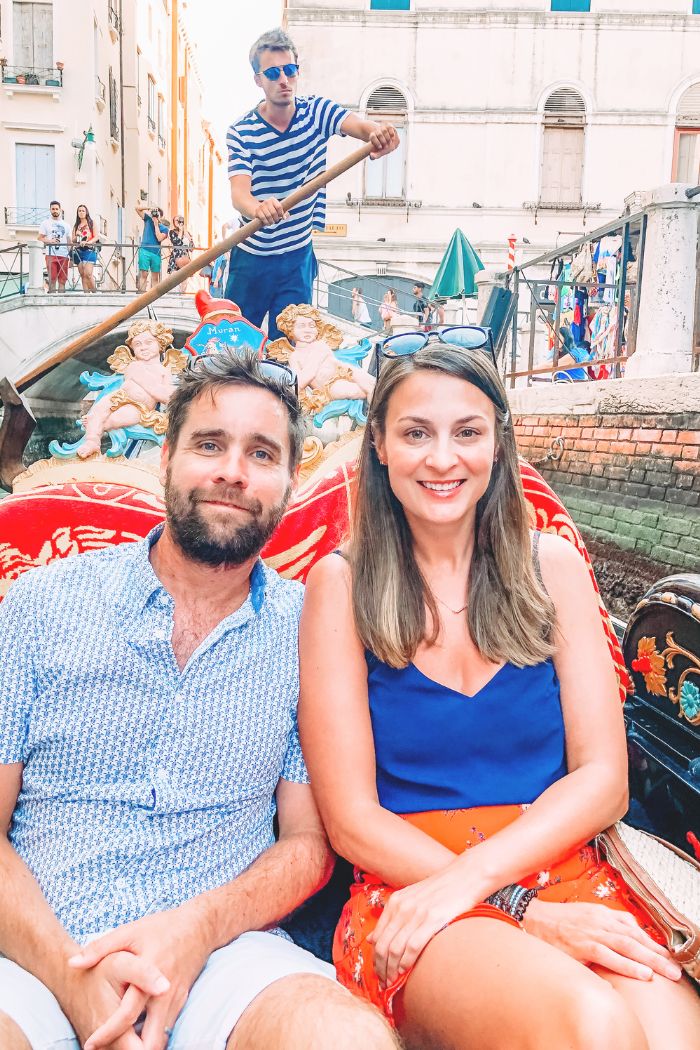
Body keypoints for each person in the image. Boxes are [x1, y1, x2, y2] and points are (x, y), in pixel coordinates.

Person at [298, 340, 700, 1050]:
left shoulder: (553, 567)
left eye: (467, 432)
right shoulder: (341, 585)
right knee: (595, 1028)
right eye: (416, 432)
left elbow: (605, 780)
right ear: (381, 447)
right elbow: (352, 820)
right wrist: (509, 904)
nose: (443, 458)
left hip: (569, 870)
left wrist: (500, 884)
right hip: (416, 893)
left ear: (498, 443)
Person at [0, 349, 398, 1050]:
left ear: (288, 483)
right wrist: (74, 981)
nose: (232, 472)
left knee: (347, 1039)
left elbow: (307, 844)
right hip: (35, 951)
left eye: (261, 453)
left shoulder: (310, 632)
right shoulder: (39, 605)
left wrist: (197, 930)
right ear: (166, 459)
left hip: (223, 956)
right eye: (209, 445)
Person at [224, 27, 398, 340]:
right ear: (258, 80)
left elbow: (360, 126)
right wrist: (258, 208)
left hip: (296, 256)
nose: (283, 80)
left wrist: (379, 133)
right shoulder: (241, 132)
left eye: (290, 70)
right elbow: (239, 195)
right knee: (235, 344)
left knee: (291, 348)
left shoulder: (317, 111)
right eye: (273, 72)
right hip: (250, 257)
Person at [38, 200, 71, 293]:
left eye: (57, 209)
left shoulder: (67, 225)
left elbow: (69, 241)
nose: (55, 211)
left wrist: (71, 257)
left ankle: (61, 302)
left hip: (64, 255)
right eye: (53, 209)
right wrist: (50, 241)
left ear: (60, 210)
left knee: (62, 280)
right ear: (50, 210)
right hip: (50, 254)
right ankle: (51, 299)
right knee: (52, 279)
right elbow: (39, 238)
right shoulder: (45, 223)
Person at [135, 204, 169, 291]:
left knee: (155, 277)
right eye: (155, 212)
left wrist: (156, 225)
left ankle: (154, 298)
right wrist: (149, 208)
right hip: (144, 250)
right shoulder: (148, 219)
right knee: (144, 274)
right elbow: (137, 209)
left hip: (155, 253)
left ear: (161, 216)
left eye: (158, 213)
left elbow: (159, 238)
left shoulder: (164, 228)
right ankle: (142, 296)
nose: (155, 215)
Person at [71, 204, 99, 292]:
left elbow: (96, 237)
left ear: (86, 212)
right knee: (82, 274)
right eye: (79, 211)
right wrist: (77, 235)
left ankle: (95, 293)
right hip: (79, 251)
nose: (81, 212)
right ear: (77, 213)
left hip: (89, 250)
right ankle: (86, 294)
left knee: (88, 274)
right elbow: (73, 240)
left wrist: (88, 242)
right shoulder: (76, 225)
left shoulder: (91, 222)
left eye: (83, 210)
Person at [167, 214, 195, 286]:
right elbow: (177, 243)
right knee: (173, 277)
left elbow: (192, 248)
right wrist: (180, 231)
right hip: (175, 257)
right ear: (174, 222)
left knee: (184, 278)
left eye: (180, 219)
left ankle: (182, 294)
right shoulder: (172, 232)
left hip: (185, 257)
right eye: (177, 220)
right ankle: (172, 293)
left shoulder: (186, 232)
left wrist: (185, 232)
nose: (179, 221)